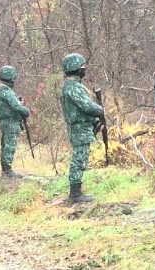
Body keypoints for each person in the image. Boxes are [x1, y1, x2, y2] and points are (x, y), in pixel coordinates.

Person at [60, 53, 104, 203]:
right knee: (79, 158)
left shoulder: (73, 85)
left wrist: (94, 120)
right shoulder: (73, 87)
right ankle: (75, 193)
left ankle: (76, 191)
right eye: (82, 67)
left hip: (82, 126)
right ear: (75, 68)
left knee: (81, 157)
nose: (83, 69)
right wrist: (99, 109)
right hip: (79, 127)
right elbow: (86, 106)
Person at [0, 65, 30, 178]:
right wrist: (26, 110)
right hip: (10, 122)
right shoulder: (5, 90)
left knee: (5, 145)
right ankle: (7, 171)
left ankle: (5, 169)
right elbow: (16, 107)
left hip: (5, 121)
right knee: (10, 145)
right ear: (11, 78)